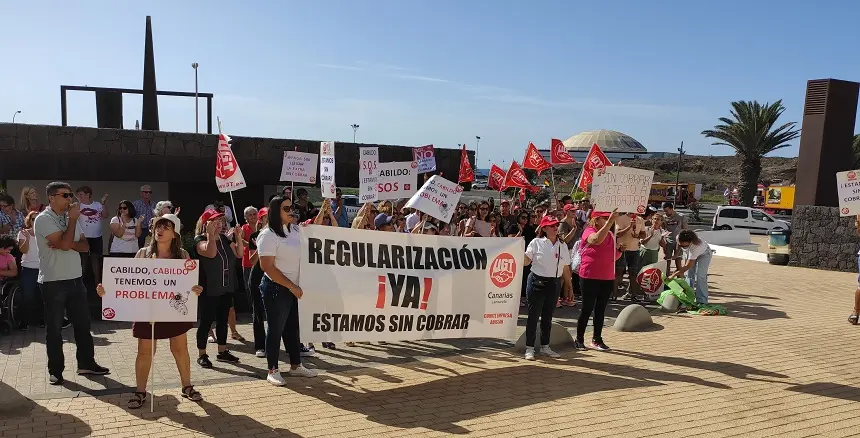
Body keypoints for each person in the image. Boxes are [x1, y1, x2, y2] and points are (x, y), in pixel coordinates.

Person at [96, 214, 204, 408]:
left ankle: (187, 386)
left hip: (174, 310)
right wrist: (107, 291)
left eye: (165, 227)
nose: (159, 230)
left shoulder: (183, 255)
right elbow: (128, 281)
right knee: (145, 352)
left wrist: (195, 289)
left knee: (180, 349)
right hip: (146, 310)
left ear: (174, 233)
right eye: (157, 226)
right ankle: (140, 391)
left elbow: (189, 286)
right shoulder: (143, 253)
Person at [34, 182, 110, 384]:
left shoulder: (70, 219)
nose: (70, 199)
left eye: (70, 195)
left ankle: (86, 364)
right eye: (65, 195)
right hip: (53, 281)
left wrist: (66, 243)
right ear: (51, 197)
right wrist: (71, 228)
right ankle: (56, 371)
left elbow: (84, 246)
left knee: (83, 325)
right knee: (55, 328)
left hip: (75, 279)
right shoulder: (43, 219)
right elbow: (68, 243)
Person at [257, 195, 318, 385]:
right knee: (276, 329)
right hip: (277, 288)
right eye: (286, 208)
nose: (291, 211)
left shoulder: (296, 230)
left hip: (294, 288)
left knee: (293, 328)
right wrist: (291, 286)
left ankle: (295, 365)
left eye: (291, 207)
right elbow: (267, 267)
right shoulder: (268, 235)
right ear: (276, 211)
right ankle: (272, 369)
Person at [194, 209, 243, 368]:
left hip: (226, 286)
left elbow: (240, 254)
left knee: (223, 320)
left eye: (219, 221)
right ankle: (202, 354)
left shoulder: (224, 238)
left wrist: (239, 237)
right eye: (214, 222)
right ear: (206, 224)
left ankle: (222, 351)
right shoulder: (200, 239)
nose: (218, 224)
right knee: (207, 321)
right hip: (209, 288)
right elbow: (211, 253)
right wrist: (210, 234)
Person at [522, 215, 572, 360]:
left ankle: (545, 346)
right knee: (533, 316)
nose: (556, 228)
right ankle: (529, 348)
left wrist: (569, 286)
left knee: (547, 317)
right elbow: (526, 262)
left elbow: (565, 267)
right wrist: (517, 252)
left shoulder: (562, 244)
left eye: (556, 225)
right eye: (552, 225)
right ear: (544, 228)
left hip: (554, 283)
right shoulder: (536, 242)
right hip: (536, 281)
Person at [576, 210, 621, 352]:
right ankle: (579, 339)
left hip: (607, 277)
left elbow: (612, 257)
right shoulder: (588, 230)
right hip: (589, 276)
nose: (609, 220)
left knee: (600, 309)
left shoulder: (611, 234)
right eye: (606, 218)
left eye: (609, 218)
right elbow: (596, 240)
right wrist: (609, 223)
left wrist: (620, 251)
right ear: (596, 219)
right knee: (587, 308)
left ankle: (597, 339)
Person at [247, 207, 269, 356]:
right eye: (266, 217)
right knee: (258, 313)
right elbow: (252, 260)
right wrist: (261, 246)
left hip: (273, 276)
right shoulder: (255, 236)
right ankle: (260, 345)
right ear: (261, 220)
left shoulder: (279, 235)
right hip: (257, 277)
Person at [668, 230, 713, 306]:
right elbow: (679, 245)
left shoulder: (697, 246)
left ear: (691, 242)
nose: (683, 247)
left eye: (685, 246)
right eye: (682, 245)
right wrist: (676, 254)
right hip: (690, 254)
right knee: (689, 276)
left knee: (700, 276)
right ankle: (689, 298)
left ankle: (702, 301)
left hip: (704, 254)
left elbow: (687, 266)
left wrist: (673, 275)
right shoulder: (679, 237)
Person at [75, 186, 108, 285]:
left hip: (96, 237)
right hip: (83, 237)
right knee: (83, 261)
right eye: (78, 195)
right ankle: (80, 283)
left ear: (88, 194)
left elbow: (105, 215)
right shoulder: (78, 205)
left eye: (81, 194)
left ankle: (97, 283)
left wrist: (103, 203)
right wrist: (78, 202)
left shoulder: (97, 205)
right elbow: (73, 215)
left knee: (96, 260)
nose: (79, 196)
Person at [16, 212, 42, 330]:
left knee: (41, 296)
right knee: (27, 296)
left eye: (38, 218)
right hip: (28, 269)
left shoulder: (45, 233)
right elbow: (24, 250)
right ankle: (24, 321)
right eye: (33, 219)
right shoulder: (22, 233)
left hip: (43, 269)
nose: (35, 220)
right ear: (29, 220)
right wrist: (27, 239)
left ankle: (40, 320)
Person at [615, 212, 645, 302]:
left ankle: (633, 295)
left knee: (633, 273)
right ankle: (614, 295)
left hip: (634, 250)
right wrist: (629, 227)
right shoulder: (620, 218)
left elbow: (643, 234)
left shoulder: (640, 219)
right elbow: (617, 234)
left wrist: (638, 236)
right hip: (621, 249)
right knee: (619, 272)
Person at [558, 204, 580, 305]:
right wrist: (573, 229)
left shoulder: (574, 222)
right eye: (571, 210)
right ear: (566, 211)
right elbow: (563, 240)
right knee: (563, 277)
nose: (574, 212)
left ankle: (565, 298)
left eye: (574, 210)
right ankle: (558, 298)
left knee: (568, 276)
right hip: (565, 251)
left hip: (572, 251)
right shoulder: (563, 223)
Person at [662, 202, 689, 273]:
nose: (666, 213)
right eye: (664, 211)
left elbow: (685, 230)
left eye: (667, 211)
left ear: (671, 209)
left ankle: (679, 279)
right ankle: (667, 278)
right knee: (667, 262)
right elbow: (663, 230)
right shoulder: (664, 218)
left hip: (679, 242)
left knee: (678, 262)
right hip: (668, 242)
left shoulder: (681, 216)